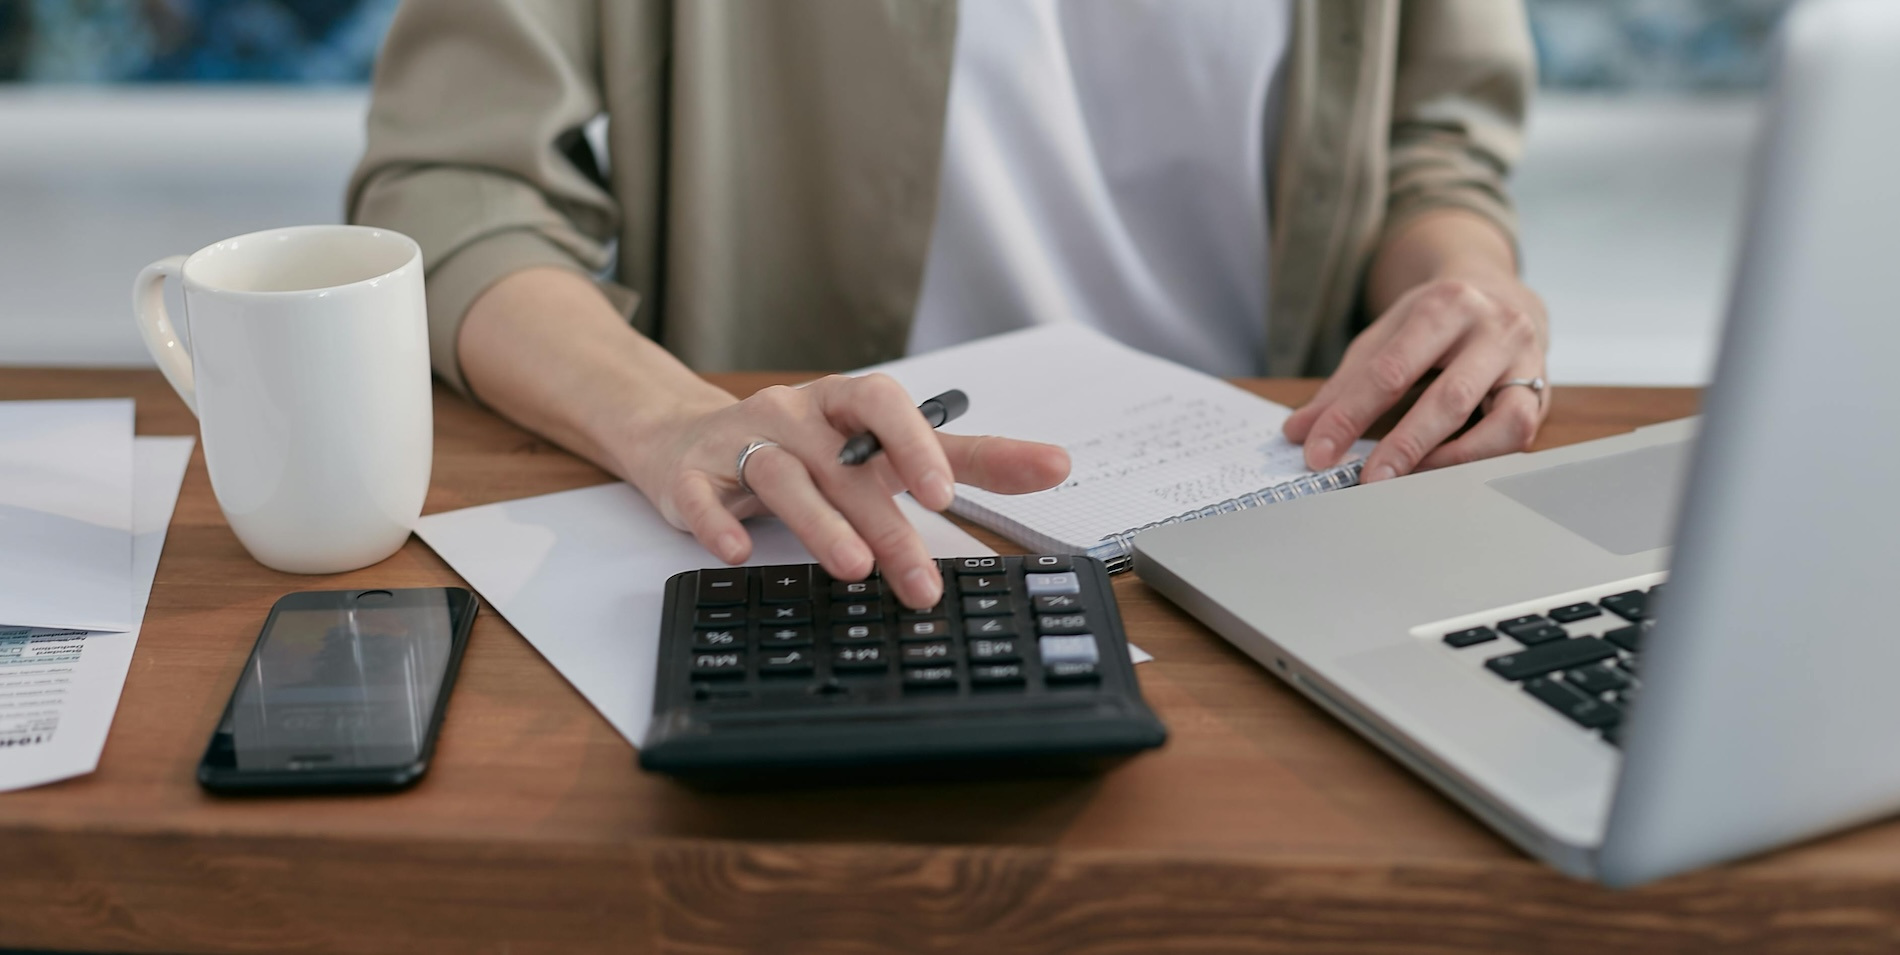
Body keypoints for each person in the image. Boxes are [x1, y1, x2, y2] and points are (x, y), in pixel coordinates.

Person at [350, 0, 1545, 611]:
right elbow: (456, 182)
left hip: (1280, 515)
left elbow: (1431, 151)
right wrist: (669, 420)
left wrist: (1466, 288)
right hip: (822, 539)